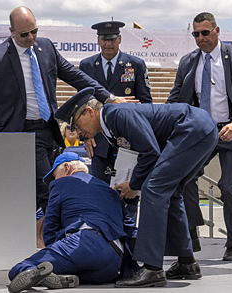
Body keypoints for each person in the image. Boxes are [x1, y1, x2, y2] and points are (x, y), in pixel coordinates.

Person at [0, 7, 133, 248]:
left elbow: (75, 76)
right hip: (16, 133)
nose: (30, 38)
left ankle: (50, 242)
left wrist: (108, 97)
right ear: (11, 32)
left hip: (47, 130)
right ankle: (59, 245)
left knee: (48, 188)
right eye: (24, 34)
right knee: (49, 190)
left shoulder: (46, 48)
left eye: (34, 31)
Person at [56, 87, 218, 287]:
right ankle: (187, 263)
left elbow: (150, 151)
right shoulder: (110, 126)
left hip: (192, 128)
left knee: (154, 189)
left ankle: (152, 269)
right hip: (199, 128)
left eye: (77, 125)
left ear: (90, 112)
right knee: (171, 193)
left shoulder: (117, 114)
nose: (78, 133)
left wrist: (134, 185)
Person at [167, 12, 232, 260]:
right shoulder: (187, 62)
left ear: (217, 30)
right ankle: (192, 234)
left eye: (205, 32)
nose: (201, 38)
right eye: (196, 34)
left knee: (228, 188)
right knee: (183, 177)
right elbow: (175, 99)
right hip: (201, 132)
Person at [7, 152, 137, 293]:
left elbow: (50, 226)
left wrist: (53, 251)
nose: (54, 179)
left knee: (19, 270)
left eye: (55, 175)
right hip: (113, 261)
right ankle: (61, 278)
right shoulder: (111, 190)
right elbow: (131, 231)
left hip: (83, 243)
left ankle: (44, 275)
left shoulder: (60, 184)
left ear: (67, 167)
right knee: (77, 272)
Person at [79, 21, 152, 221]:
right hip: (99, 143)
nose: (108, 44)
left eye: (112, 39)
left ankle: (128, 241)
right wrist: (85, 137)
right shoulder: (86, 66)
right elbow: (81, 107)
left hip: (128, 142)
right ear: (98, 40)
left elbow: (145, 104)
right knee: (101, 194)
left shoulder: (135, 65)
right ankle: (106, 240)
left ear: (119, 39)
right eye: (104, 39)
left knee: (128, 196)